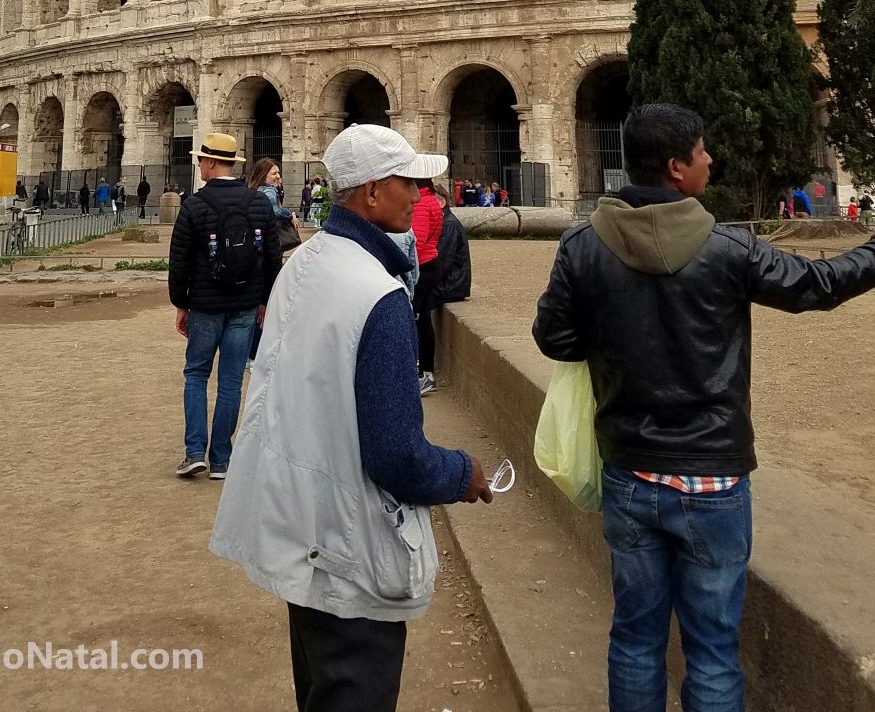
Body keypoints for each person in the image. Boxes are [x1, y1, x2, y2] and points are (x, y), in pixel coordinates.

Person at [533, 102, 875, 712]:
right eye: (702, 151)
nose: (710, 159)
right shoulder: (727, 248)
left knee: (635, 636)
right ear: (676, 168)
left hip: (630, 469)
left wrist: (614, 338)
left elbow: (554, 338)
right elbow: (817, 286)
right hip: (713, 474)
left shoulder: (582, 246)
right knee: (713, 648)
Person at [210, 123, 493, 712]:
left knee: (318, 689)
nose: (419, 194)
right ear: (369, 192)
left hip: (298, 524)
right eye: (407, 182)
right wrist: (462, 473)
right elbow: (398, 457)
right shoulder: (380, 296)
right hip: (349, 548)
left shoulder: (304, 263)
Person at [168, 132, 281, 479]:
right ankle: (221, 459)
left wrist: (181, 303)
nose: (199, 164)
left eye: (201, 159)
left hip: (204, 304)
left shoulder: (194, 205)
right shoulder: (260, 204)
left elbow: (179, 261)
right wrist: (265, 300)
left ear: (213, 163)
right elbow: (272, 259)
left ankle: (193, 452)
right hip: (246, 306)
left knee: (196, 374)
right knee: (231, 380)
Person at [246, 158, 302, 361]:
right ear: (263, 176)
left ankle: (250, 353)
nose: (278, 176)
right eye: (274, 173)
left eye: (278, 173)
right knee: (267, 303)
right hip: (269, 251)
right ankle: (256, 354)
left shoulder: (255, 191)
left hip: (256, 250)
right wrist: (290, 215)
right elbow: (274, 211)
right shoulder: (268, 191)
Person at [410, 177, 444, 395]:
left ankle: (423, 372)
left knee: (417, 320)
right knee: (422, 320)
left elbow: (417, 241)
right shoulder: (431, 199)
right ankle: (426, 372)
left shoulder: (422, 203)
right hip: (430, 263)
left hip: (422, 266)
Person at [433, 183, 472, 304]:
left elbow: (443, 260)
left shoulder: (449, 224)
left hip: (451, 286)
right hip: (450, 283)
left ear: (441, 202)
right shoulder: (445, 221)